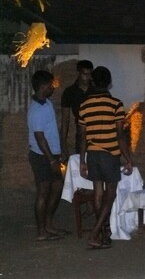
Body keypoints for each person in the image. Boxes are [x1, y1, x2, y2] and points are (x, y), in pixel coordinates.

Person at [77, 66, 133, 250]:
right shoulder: (116, 104)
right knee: (111, 193)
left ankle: (103, 231)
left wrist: (83, 160)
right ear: (109, 83)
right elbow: (119, 135)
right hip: (109, 155)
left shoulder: (84, 105)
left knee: (98, 193)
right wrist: (129, 158)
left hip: (92, 154)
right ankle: (95, 233)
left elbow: (82, 136)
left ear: (92, 81)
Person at [27, 70, 67, 241]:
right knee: (43, 191)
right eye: (51, 84)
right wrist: (51, 159)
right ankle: (41, 231)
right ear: (43, 86)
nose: (53, 87)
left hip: (51, 154)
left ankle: (48, 225)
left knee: (57, 186)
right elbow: (39, 137)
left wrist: (60, 149)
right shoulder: (36, 109)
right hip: (42, 156)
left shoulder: (46, 103)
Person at [60, 59, 93, 161]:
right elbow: (65, 120)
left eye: (89, 74)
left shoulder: (97, 89)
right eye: (84, 74)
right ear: (78, 73)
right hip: (81, 135)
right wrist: (63, 143)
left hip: (98, 134)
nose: (87, 77)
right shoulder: (70, 92)